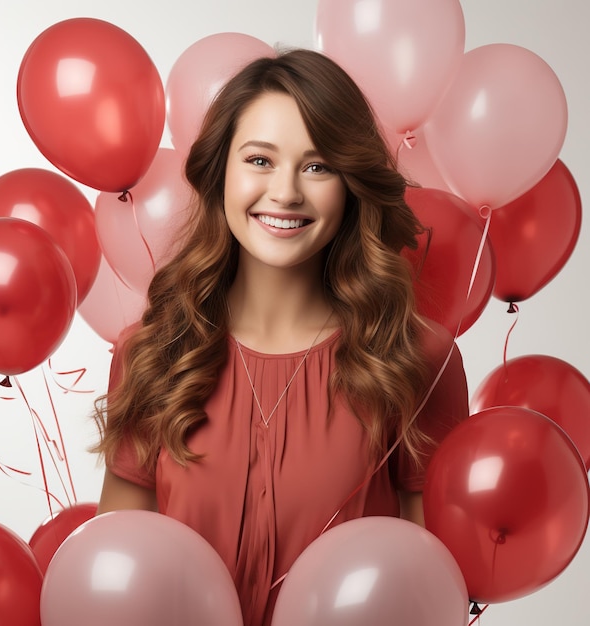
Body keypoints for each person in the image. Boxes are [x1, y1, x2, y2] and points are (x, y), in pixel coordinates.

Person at [94, 48, 468, 626]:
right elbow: (115, 582)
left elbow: (428, 587)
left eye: (318, 166)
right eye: (260, 160)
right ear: (221, 173)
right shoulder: (151, 354)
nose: (286, 192)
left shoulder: (417, 360)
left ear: (351, 185)